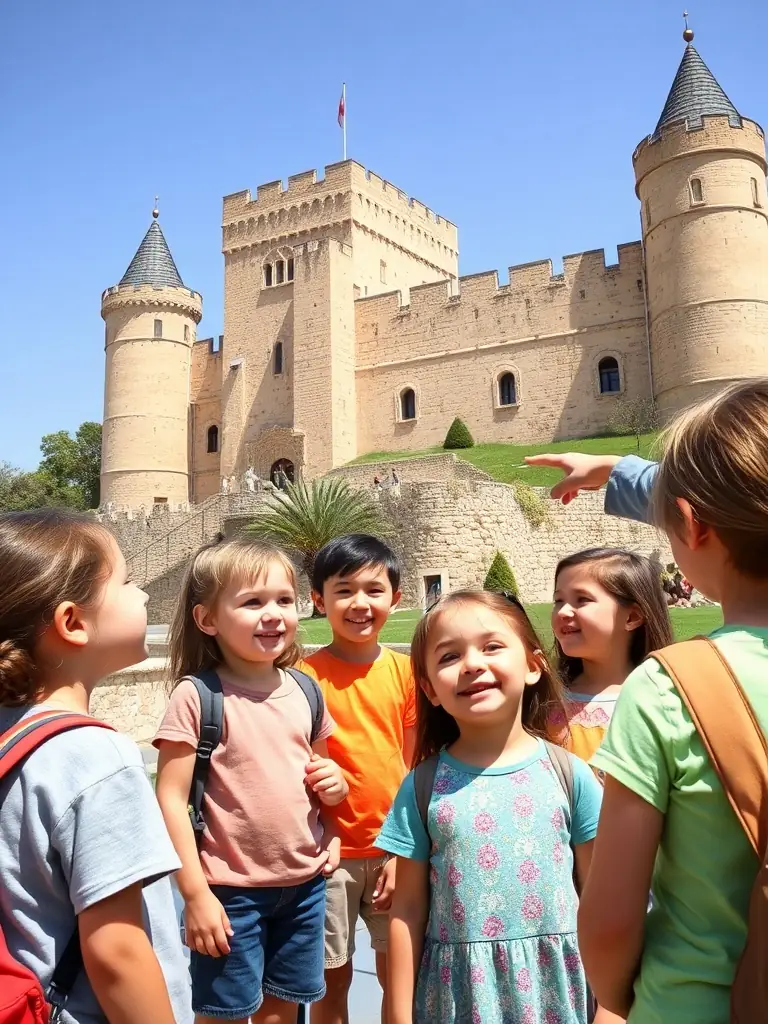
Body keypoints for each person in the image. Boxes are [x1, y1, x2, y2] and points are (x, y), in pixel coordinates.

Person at [545, 380, 768, 1022]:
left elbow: (612, 922)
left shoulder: (669, 688)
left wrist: (625, 1001)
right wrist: (619, 471)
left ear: (691, 526)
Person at [378, 590, 606, 1024]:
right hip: (458, 999)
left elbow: (602, 900)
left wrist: (613, 1007)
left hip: (557, 992)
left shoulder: (571, 776)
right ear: (429, 688)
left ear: (534, 665)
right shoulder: (424, 786)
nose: (472, 664)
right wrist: (398, 1015)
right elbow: (406, 912)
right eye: (448, 657)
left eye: (492, 646)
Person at [0, 509, 191, 1024]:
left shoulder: (10, 731)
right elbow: (118, 952)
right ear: (73, 623)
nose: (144, 595)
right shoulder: (94, 756)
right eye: (127, 583)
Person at [154, 537, 348, 1024]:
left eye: (284, 599)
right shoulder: (198, 696)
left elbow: (324, 778)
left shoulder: (305, 688)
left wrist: (336, 809)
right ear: (208, 620)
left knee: (285, 1006)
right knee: (225, 1012)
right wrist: (195, 894)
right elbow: (171, 800)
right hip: (229, 891)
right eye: (252, 602)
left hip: (305, 886)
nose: (274, 614)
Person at [305, 535, 416, 1024]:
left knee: (398, 979)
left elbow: (414, 769)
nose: (359, 603)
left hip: (394, 852)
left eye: (374, 590)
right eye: (344, 590)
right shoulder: (302, 678)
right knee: (332, 980)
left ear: (396, 597)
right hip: (330, 857)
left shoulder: (407, 673)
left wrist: (402, 849)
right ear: (317, 600)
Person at [550, 548, 672, 768]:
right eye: (558, 600)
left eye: (582, 600)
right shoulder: (544, 696)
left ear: (632, 617)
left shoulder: (661, 700)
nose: (563, 611)